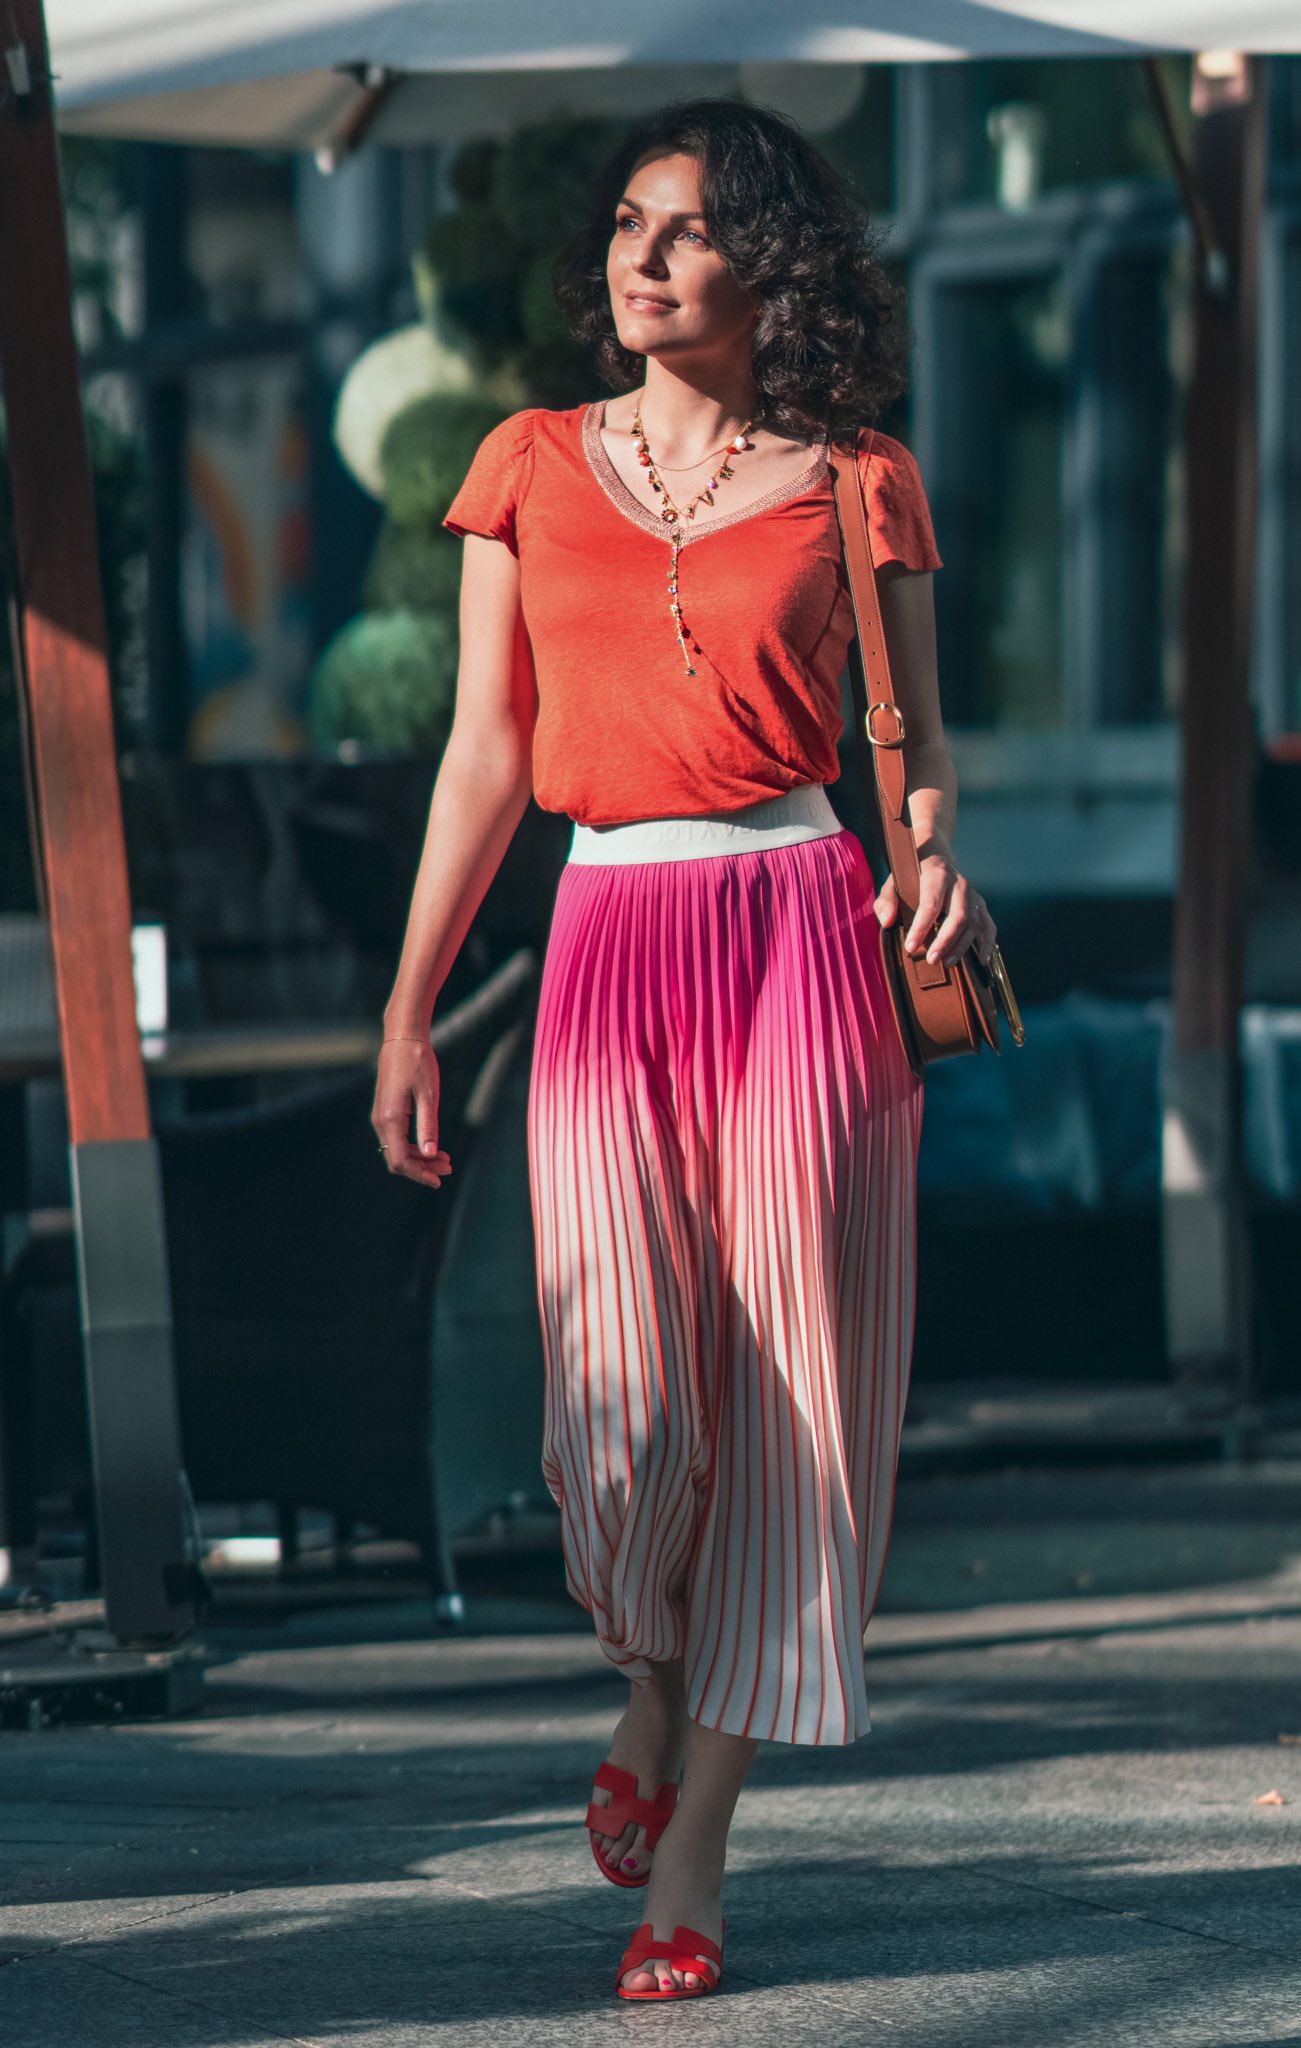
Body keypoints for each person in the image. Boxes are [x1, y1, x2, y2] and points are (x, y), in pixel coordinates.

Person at [371, 96, 997, 2002]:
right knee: (625, 1409)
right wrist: (407, 1007)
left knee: (795, 1390)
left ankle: (698, 1847)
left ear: (766, 268)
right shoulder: (526, 463)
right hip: (605, 936)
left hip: (806, 930)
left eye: (686, 231)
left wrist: (942, 871)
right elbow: (486, 753)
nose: (640, 257)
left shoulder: (852, 478)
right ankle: (651, 1688)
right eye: (628, 226)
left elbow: (916, 755)